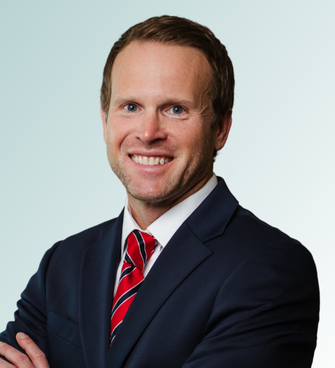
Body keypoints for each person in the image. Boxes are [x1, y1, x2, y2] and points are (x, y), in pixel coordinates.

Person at [0, 15, 319, 368]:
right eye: (131, 107)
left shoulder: (270, 269)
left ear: (221, 128)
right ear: (105, 121)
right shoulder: (63, 263)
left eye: (176, 109)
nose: (148, 132)